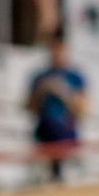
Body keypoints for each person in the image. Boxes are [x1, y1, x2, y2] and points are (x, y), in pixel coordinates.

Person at [25, 37, 87, 183]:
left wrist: (61, 92)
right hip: (44, 134)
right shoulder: (40, 77)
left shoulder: (75, 77)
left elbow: (81, 109)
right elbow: (29, 106)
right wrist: (42, 91)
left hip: (66, 135)